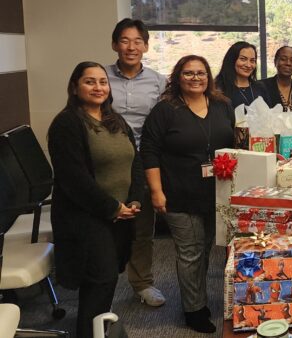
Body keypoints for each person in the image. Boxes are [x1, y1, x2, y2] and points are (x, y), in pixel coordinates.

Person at [47, 62, 143, 338]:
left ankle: (97, 328)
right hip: (86, 218)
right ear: (75, 87)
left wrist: (135, 199)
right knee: (100, 278)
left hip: (120, 213)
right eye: (90, 81)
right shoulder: (67, 124)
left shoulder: (114, 119)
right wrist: (112, 208)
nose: (98, 87)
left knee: (106, 278)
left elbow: (134, 160)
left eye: (103, 81)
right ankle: (89, 332)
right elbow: (74, 180)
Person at [140, 55, 234, 333]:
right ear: (177, 77)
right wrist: (156, 192)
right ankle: (193, 311)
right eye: (189, 73)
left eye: (201, 73)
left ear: (209, 77)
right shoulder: (165, 110)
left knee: (204, 250)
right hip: (179, 193)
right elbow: (149, 151)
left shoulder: (222, 105)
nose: (196, 78)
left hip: (214, 194)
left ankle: (198, 299)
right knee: (190, 252)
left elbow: (233, 143)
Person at [104, 18, 167, 307]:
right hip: (107, 161)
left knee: (142, 228)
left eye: (137, 41)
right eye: (125, 41)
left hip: (142, 162)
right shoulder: (100, 77)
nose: (131, 47)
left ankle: (142, 283)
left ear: (145, 45)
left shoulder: (157, 80)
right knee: (106, 225)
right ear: (115, 44)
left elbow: (163, 123)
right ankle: (100, 283)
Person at [215, 41, 269, 109]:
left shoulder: (260, 88)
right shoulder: (219, 89)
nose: (248, 65)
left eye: (252, 60)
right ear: (232, 60)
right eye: (243, 59)